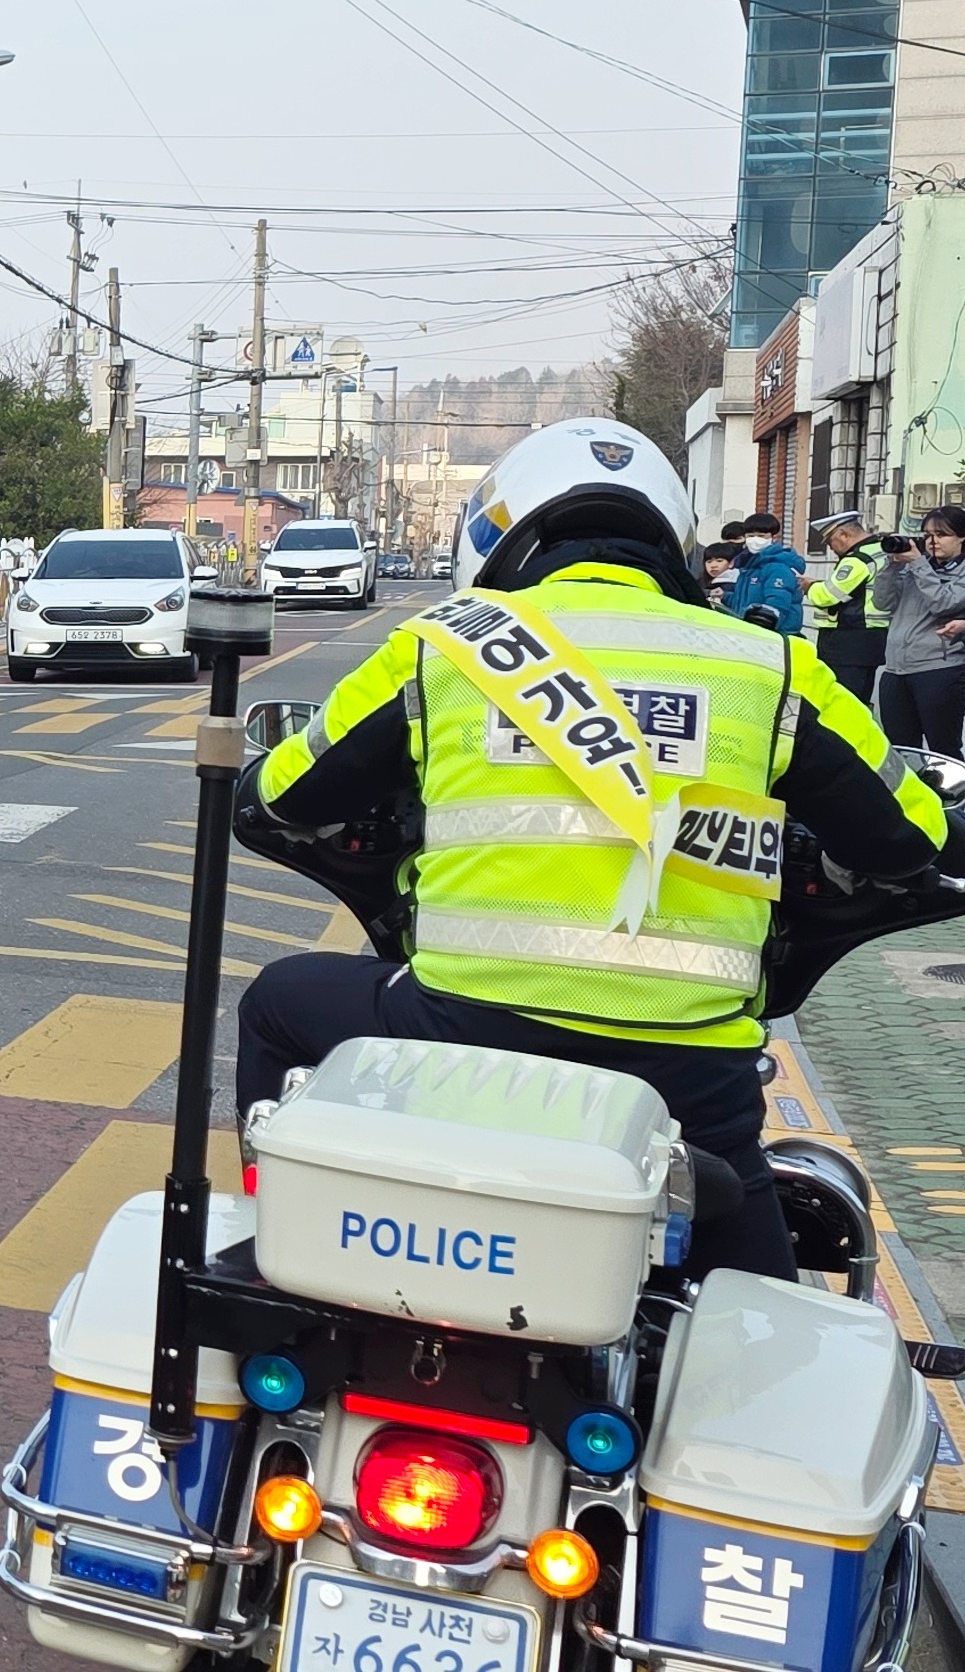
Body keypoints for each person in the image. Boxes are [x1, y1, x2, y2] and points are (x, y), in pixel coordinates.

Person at [237, 418, 945, 1281]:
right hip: (689, 1079)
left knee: (277, 1003)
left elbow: (285, 795)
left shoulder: (442, 647)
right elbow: (908, 835)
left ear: (495, 542)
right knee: (760, 1342)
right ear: (675, 551)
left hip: (462, 1039)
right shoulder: (772, 665)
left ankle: (289, 1237)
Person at [876, 505, 965, 756]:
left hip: (938, 669)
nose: (932, 542)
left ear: (961, 536)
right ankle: (911, 795)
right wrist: (892, 566)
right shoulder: (917, 566)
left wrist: (917, 564)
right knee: (901, 749)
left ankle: (950, 795)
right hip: (895, 669)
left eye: (941, 534)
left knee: (943, 749)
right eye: (926, 535)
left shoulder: (955, 570)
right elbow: (882, 602)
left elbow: (943, 603)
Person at [807, 510, 887, 706]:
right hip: (872, 638)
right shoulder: (879, 550)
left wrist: (809, 586)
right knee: (860, 700)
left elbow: (828, 596)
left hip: (847, 640)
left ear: (844, 535)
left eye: (829, 541)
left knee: (842, 702)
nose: (830, 548)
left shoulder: (856, 559)